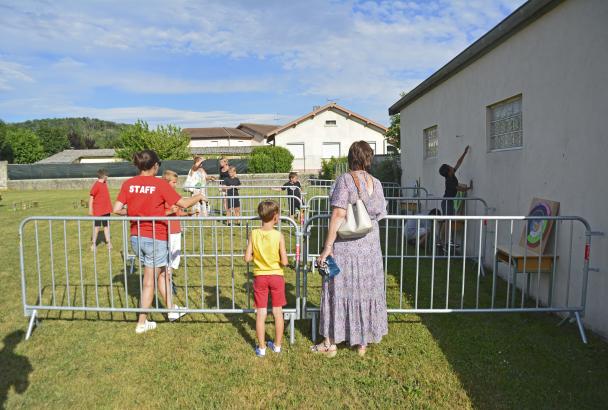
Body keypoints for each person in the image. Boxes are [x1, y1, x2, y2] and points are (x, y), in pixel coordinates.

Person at [113, 150, 205, 334]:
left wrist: (136, 213)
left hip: (136, 237)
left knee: (163, 273)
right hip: (155, 238)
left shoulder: (128, 184)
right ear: (155, 165)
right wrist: (199, 196)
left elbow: (116, 209)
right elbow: (183, 204)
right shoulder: (159, 184)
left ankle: (171, 309)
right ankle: (142, 322)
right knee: (149, 281)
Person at [313, 141, 388, 357]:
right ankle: (361, 343)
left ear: (351, 157)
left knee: (335, 287)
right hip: (371, 246)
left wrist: (327, 247)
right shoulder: (377, 183)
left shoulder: (345, 180)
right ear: (368, 158)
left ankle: (330, 342)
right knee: (366, 290)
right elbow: (380, 214)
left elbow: (338, 214)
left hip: (347, 246)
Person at [244, 200, 289, 357]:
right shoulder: (279, 235)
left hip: (259, 276)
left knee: (261, 313)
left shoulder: (254, 234)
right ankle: (277, 346)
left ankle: (262, 348)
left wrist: (257, 254)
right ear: (275, 217)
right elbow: (284, 261)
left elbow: (247, 258)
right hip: (276, 276)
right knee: (278, 312)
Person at [163, 170, 196, 311]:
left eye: (176, 182)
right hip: (168, 231)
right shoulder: (164, 196)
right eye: (173, 182)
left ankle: (169, 280)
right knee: (168, 258)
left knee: (174, 258)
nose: (175, 185)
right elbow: (160, 213)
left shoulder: (173, 195)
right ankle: (167, 282)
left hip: (176, 231)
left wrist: (187, 214)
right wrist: (169, 212)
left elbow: (177, 211)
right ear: (166, 182)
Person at [438, 145, 472, 216]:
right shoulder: (449, 181)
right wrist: (469, 187)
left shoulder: (452, 174)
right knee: (448, 222)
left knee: (448, 221)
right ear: (448, 172)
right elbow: (460, 189)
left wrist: (465, 153)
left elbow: (458, 163)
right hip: (447, 202)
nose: (451, 166)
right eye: (449, 167)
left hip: (449, 202)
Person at [89, 169, 113, 251]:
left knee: (106, 226)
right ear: (104, 176)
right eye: (107, 176)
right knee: (97, 227)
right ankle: (93, 244)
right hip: (98, 211)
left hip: (106, 210)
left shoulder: (104, 183)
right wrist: (90, 209)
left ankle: (108, 243)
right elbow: (91, 198)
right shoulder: (96, 185)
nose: (108, 177)